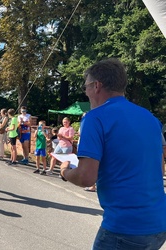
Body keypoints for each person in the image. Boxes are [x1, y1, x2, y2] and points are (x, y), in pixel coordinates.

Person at [60, 58, 166, 249]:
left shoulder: (95, 118)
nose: (86, 92)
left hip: (124, 228)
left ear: (96, 86)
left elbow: (86, 178)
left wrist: (65, 172)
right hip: (159, 224)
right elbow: (158, 167)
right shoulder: (150, 118)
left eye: (86, 87)